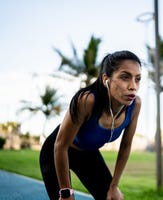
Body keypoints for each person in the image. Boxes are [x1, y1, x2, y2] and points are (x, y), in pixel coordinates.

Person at [39, 50, 142, 200]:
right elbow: (60, 146)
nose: (133, 86)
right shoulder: (87, 101)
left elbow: (126, 145)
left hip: (88, 154)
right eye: (125, 77)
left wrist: (114, 186)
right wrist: (66, 191)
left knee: (112, 198)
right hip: (57, 151)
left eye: (137, 79)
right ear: (106, 79)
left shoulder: (135, 105)